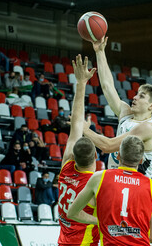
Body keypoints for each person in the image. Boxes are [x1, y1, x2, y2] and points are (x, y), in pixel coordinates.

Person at [82, 38, 152, 178]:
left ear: (151, 106)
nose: (134, 97)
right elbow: (107, 86)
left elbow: (108, 146)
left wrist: (85, 129)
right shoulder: (126, 113)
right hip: (118, 181)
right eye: (136, 94)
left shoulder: (147, 128)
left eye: (141, 96)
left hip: (136, 188)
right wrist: (100, 51)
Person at [68, 136, 152, 245]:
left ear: (119, 156)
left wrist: (100, 221)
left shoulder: (99, 178)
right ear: (141, 160)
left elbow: (72, 213)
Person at [57, 55, 99, 246]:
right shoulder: (93, 186)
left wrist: (81, 82)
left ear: (73, 154)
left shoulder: (66, 165)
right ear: (96, 157)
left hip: (64, 241)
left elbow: (75, 123)